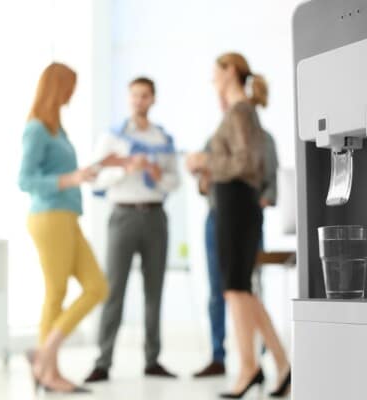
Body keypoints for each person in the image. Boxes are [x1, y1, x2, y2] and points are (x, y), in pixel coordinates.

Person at [186, 53, 290, 398]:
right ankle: (280, 363)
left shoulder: (241, 111)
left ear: (230, 71)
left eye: (215, 72)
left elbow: (246, 163)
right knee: (241, 289)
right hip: (233, 203)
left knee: (235, 289)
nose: (212, 79)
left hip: (235, 205)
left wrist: (205, 160)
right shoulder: (242, 112)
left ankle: (249, 367)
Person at [18, 62, 120, 394]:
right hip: (49, 217)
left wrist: (98, 167)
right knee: (56, 293)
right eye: (69, 86)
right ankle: (49, 372)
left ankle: (43, 356)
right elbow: (25, 180)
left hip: (67, 217)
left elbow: (68, 175)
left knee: (97, 286)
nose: (72, 93)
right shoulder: (36, 129)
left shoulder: (56, 129)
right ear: (56, 87)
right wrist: (70, 178)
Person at [84, 77, 180, 383]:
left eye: (145, 96)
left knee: (155, 291)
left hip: (155, 217)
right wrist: (124, 170)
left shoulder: (161, 138)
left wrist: (154, 172)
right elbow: (95, 178)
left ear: (153, 99)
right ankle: (103, 361)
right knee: (113, 289)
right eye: (134, 96)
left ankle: (153, 360)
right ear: (129, 99)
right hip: (122, 217)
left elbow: (174, 181)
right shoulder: (112, 138)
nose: (139, 101)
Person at [193, 127, 279, 379]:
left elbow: (271, 182)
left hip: (245, 219)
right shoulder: (216, 138)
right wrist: (202, 177)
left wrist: (257, 202)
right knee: (220, 290)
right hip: (217, 217)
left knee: (247, 289)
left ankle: (257, 359)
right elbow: (204, 183)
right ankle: (219, 357)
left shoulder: (263, 139)